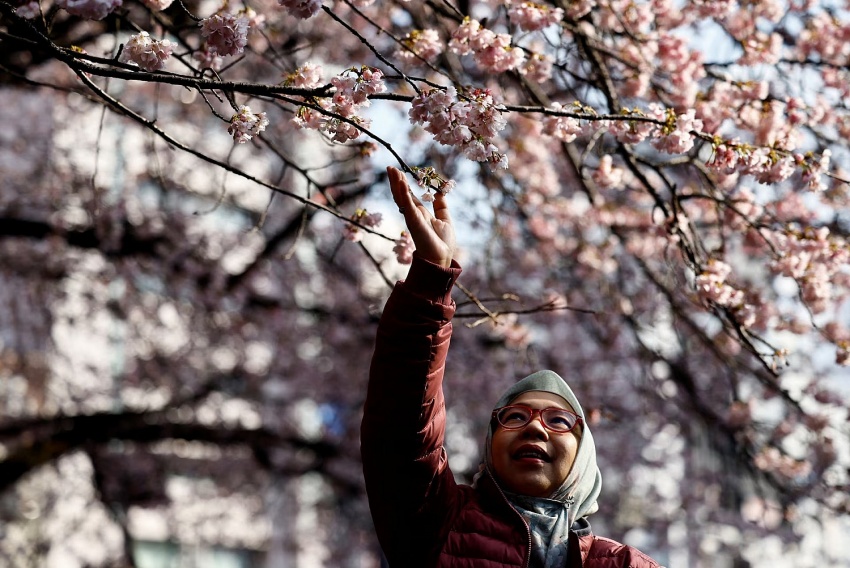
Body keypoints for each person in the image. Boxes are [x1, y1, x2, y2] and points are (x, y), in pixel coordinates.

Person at [361, 166, 663, 568]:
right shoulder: (440, 523)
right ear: (489, 447)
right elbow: (401, 428)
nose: (535, 426)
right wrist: (432, 278)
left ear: (583, 454)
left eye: (558, 420)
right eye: (514, 417)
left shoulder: (622, 564)